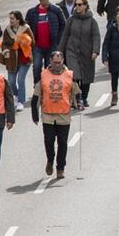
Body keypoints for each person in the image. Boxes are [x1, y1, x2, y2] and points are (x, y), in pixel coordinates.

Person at [30, 50, 77, 179]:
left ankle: (60, 168)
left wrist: (79, 102)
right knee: (49, 141)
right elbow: (36, 96)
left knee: (62, 142)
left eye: (59, 62)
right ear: (50, 61)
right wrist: (34, 114)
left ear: (63, 61)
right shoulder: (43, 75)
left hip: (64, 115)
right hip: (48, 115)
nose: (57, 64)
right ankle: (50, 160)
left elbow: (76, 92)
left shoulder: (69, 75)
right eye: (54, 62)